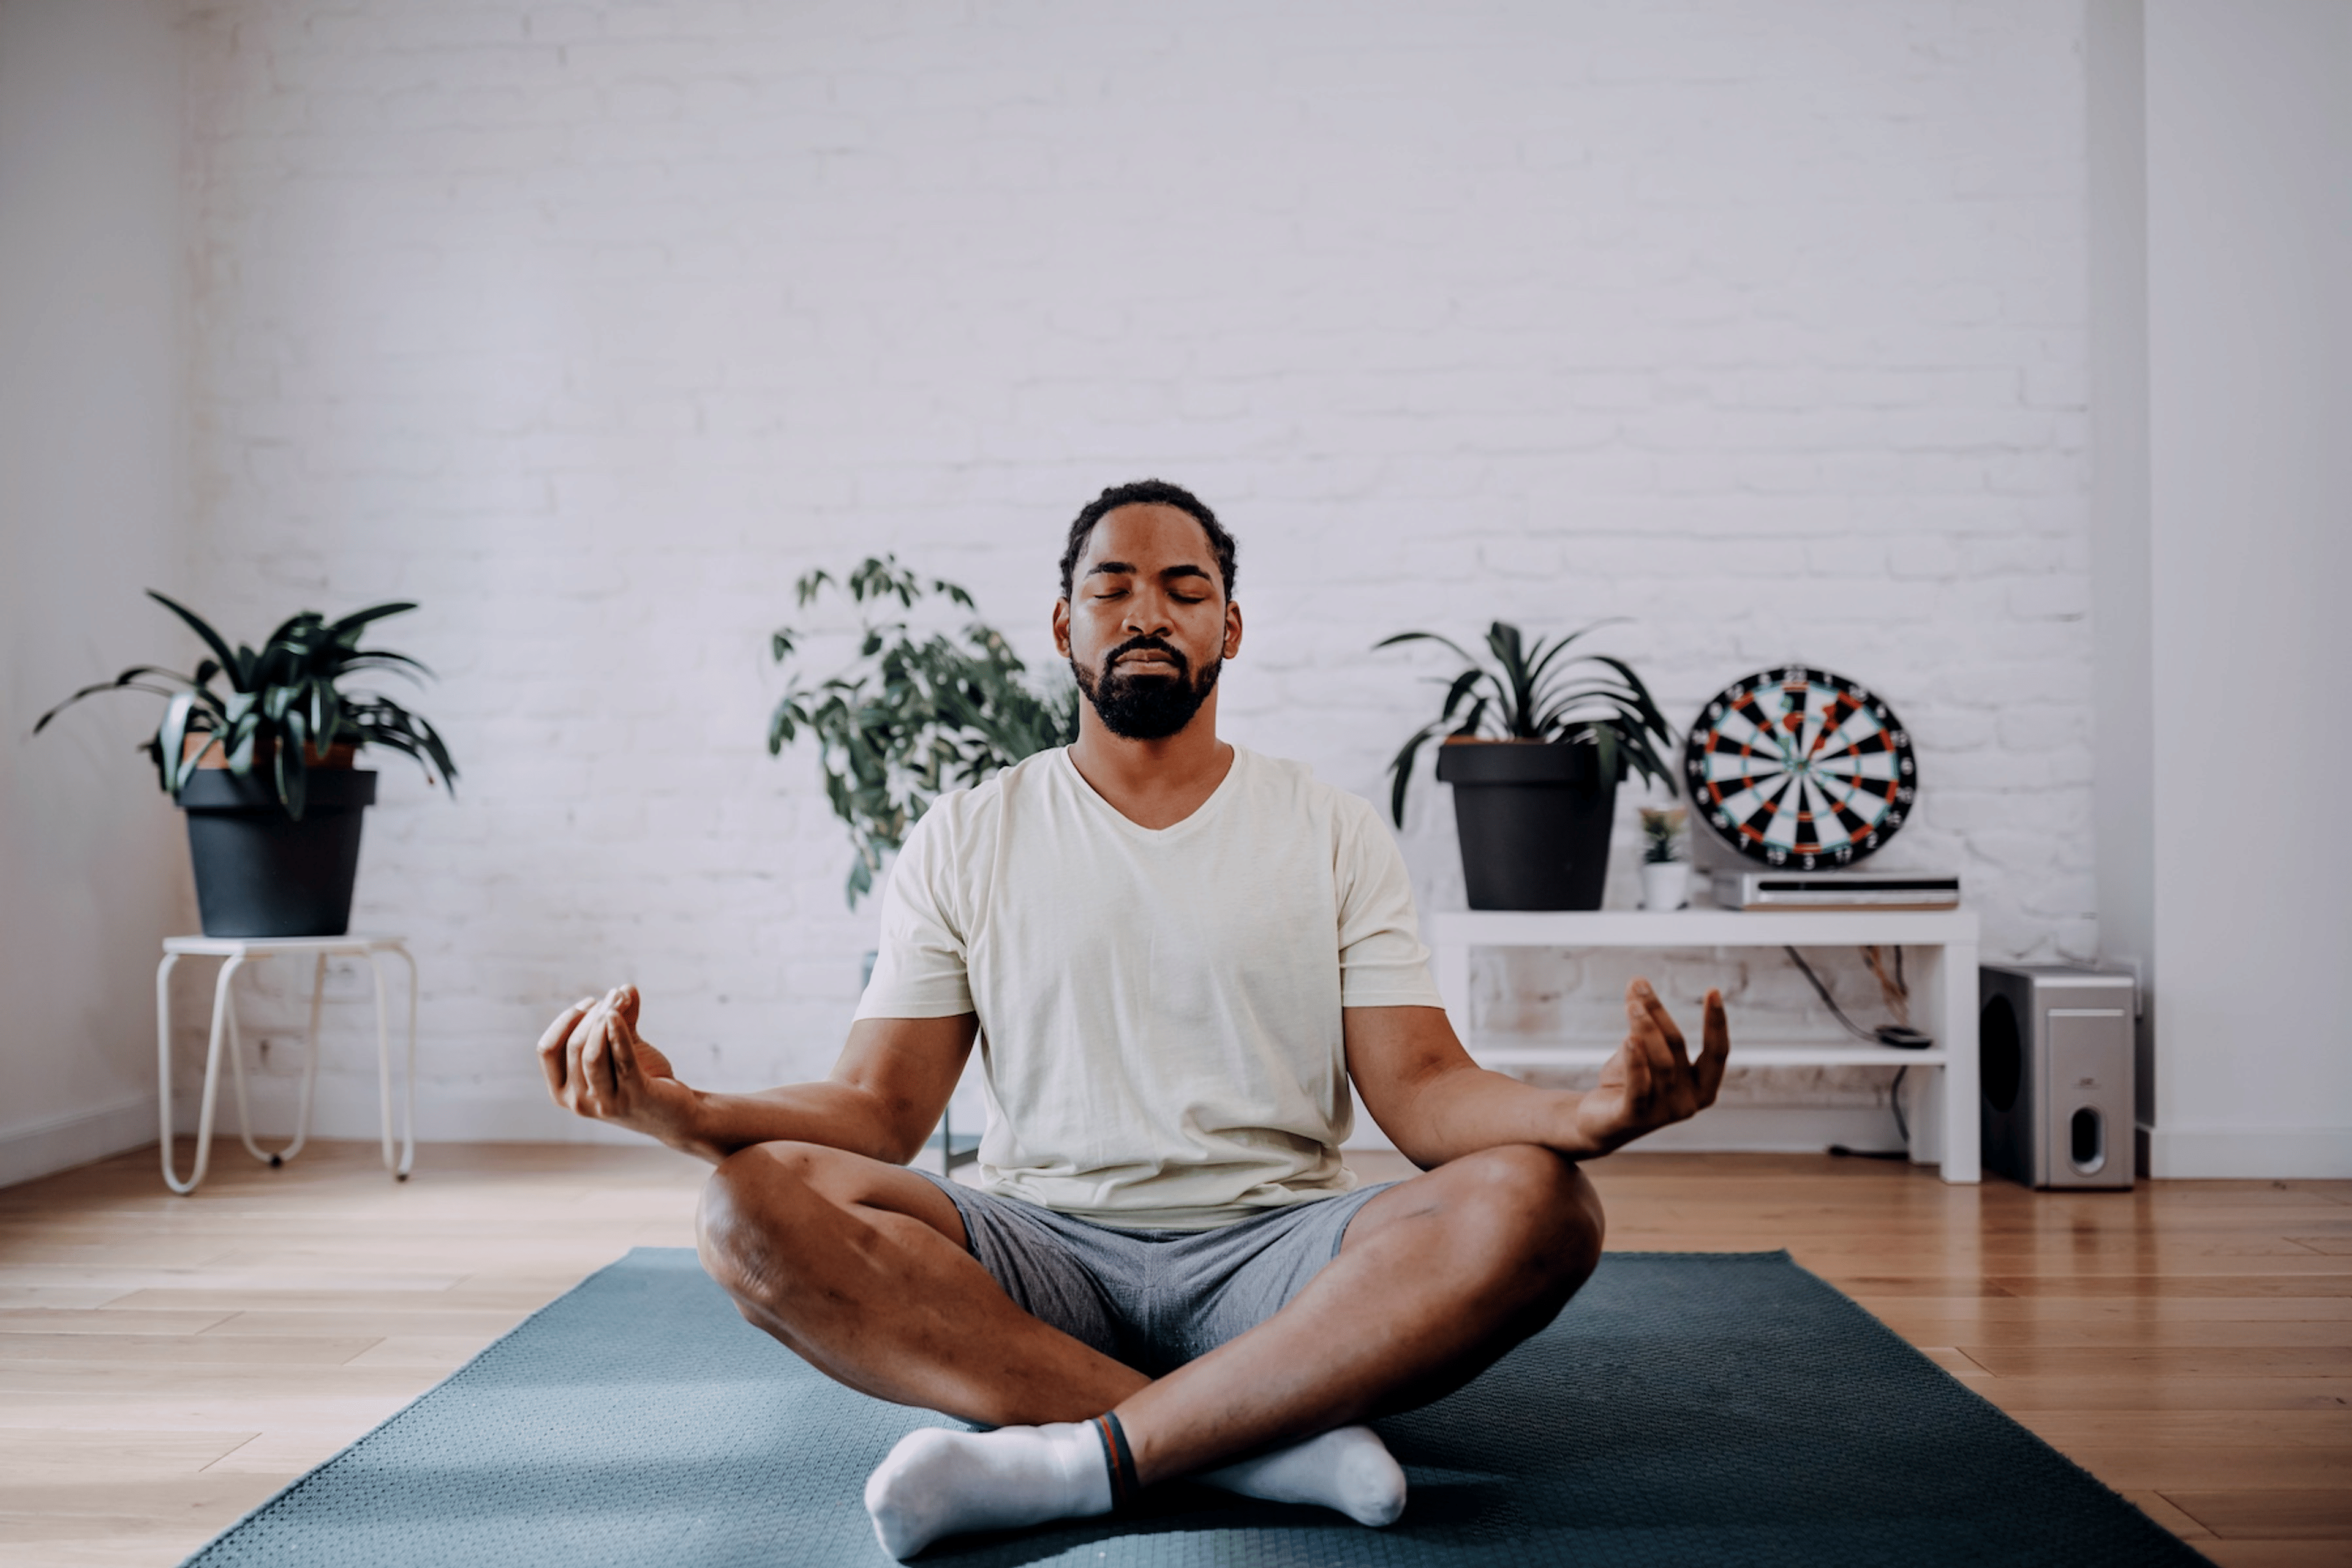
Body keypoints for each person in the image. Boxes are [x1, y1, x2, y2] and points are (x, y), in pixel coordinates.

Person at [535, 480, 1730, 1559]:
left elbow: (1421, 1089)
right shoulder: (971, 831)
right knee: (746, 1202)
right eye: (1110, 587)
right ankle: (1261, 1439)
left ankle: (1082, 1456)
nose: (1145, 610)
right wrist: (678, 1107)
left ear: (1231, 626)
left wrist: (1587, 1111)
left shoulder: (1329, 828)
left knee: (1542, 1200)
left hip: (1279, 1255)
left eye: (1183, 586)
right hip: (1038, 1250)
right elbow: (880, 1110)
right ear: (1064, 626)